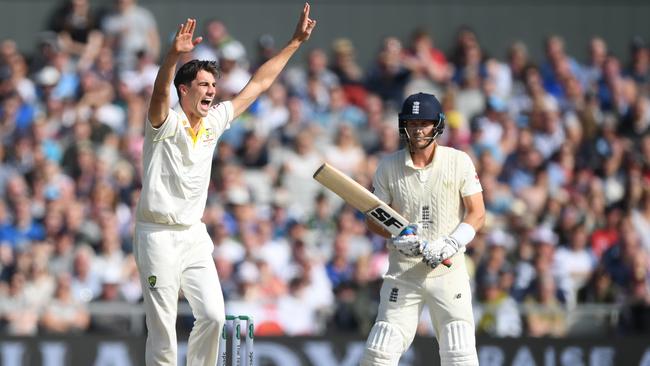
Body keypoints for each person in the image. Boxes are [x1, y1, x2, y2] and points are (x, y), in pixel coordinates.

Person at [133, 5, 316, 366]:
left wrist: (294, 42)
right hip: (156, 234)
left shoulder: (215, 122)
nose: (211, 92)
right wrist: (172, 55)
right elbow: (158, 93)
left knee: (215, 316)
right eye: (203, 85)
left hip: (193, 234)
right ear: (183, 90)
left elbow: (259, 84)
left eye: (214, 86)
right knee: (163, 326)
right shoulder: (164, 123)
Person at [361, 92, 485, 366]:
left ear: (438, 125)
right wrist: (396, 234)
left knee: (460, 352)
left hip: (448, 271)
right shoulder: (388, 166)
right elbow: (373, 218)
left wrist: (452, 243)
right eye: (413, 123)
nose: (418, 130)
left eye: (425, 123)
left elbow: (477, 213)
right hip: (404, 272)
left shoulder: (459, 161)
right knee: (379, 353)